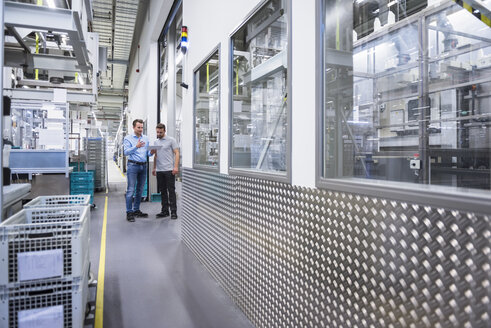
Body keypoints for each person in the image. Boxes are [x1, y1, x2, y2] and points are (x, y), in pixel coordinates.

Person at [123, 119, 155, 222]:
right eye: (138, 127)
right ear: (134, 127)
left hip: (143, 166)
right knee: (130, 190)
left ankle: (136, 210)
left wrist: (152, 152)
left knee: (140, 190)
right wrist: (136, 147)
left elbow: (147, 153)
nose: (141, 129)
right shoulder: (128, 138)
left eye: (142, 127)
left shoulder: (145, 138)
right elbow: (126, 152)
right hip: (133, 166)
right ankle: (129, 212)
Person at [152, 123, 179, 219]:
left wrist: (175, 167)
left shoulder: (171, 140)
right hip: (159, 170)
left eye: (160, 132)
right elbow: (155, 155)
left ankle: (174, 212)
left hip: (169, 170)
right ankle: (164, 211)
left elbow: (177, 153)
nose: (158, 134)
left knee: (171, 191)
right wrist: (154, 168)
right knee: (162, 191)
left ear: (164, 131)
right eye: (157, 132)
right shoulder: (155, 142)